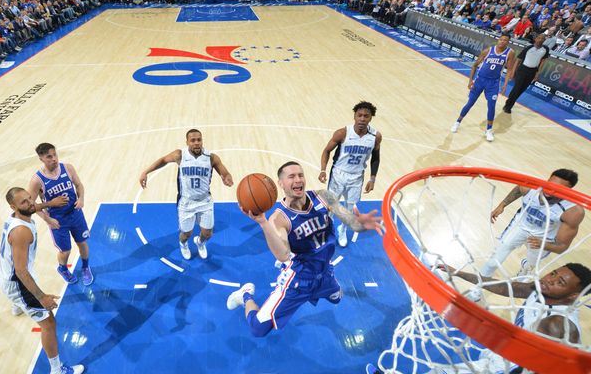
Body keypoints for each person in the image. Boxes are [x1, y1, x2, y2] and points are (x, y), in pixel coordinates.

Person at [226, 161, 382, 337]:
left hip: (324, 273)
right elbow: (283, 255)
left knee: (337, 298)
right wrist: (263, 222)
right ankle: (246, 295)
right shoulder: (279, 218)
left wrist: (361, 224)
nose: (298, 180)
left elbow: (352, 222)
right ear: (281, 184)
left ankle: (321, 289)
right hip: (299, 280)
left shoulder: (323, 197)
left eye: (300, 175)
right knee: (258, 329)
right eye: (291, 176)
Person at [367, 262, 591, 374]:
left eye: (560, 282)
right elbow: (505, 287)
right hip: (503, 356)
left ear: (574, 295)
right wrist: (459, 272)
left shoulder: (557, 324)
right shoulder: (540, 289)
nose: (550, 279)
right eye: (554, 273)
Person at [0, 187, 85, 374]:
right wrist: (41, 297)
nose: (30, 203)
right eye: (24, 202)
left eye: (30, 198)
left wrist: (49, 204)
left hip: (4, 273)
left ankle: (17, 305)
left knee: (21, 296)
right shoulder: (22, 231)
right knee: (49, 323)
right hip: (18, 283)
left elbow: (33, 207)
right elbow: (21, 271)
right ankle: (56, 370)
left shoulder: (16, 216)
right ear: (13, 206)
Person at [139, 129, 234, 260]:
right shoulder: (180, 155)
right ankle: (183, 244)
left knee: (208, 233)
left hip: (205, 201)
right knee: (186, 234)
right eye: (193, 140)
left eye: (199, 140)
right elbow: (163, 160)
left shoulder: (211, 158)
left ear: (202, 141)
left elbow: (225, 173)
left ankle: (200, 242)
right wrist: (146, 172)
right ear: (187, 142)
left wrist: (227, 178)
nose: (196, 143)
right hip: (186, 202)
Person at [481, 169, 583, 280]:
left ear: (568, 191)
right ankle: (477, 288)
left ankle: (524, 270)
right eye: (549, 184)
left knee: (529, 268)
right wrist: (502, 205)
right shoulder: (530, 187)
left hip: (544, 239)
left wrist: (544, 245)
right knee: (493, 261)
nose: (550, 190)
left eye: (557, 189)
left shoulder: (572, 211)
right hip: (519, 227)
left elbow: (562, 247)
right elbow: (518, 189)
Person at [27, 143, 93, 286]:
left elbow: (79, 185)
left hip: (75, 214)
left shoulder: (68, 168)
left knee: (82, 243)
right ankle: (62, 269)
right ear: (41, 159)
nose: (54, 159)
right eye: (49, 157)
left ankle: (85, 267)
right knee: (65, 250)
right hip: (57, 220)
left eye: (55, 154)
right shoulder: (36, 180)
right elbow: (31, 205)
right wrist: (47, 219)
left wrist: (81, 199)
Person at [318, 101, 382, 247]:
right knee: (331, 206)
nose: (362, 119)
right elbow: (326, 151)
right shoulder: (343, 133)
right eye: (359, 115)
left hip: (357, 177)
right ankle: (327, 231)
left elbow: (376, 157)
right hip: (339, 174)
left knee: (349, 208)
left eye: (366, 116)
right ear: (354, 116)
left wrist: (372, 178)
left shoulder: (375, 136)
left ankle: (342, 229)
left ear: (371, 118)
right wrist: (323, 170)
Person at [451, 34, 515, 142]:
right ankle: (457, 122)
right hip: (480, 80)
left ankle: (489, 130)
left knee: (491, 106)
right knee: (470, 103)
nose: (502, 41)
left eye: (505, 40)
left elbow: (509, 69)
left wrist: (505, 84)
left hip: (493, 83)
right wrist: (470, 80)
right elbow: (475, 65)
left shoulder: (510, 53)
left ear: (508, 42)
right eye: (501, 39)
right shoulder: (488, 51)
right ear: (498, 40)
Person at [503, 34, 550, 113]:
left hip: (532, 71)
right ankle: (508, 106)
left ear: (544, 40)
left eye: (543, 39)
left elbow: (543, 61)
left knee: (522, 89)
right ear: (535, 39)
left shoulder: (545, 49)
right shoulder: (528, 48)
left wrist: (537, 73)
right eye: (539, 38)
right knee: (517, 88)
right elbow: (518, 60)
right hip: (522, 70)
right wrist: (513, 72)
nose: (540, 40)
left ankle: (510, 103)